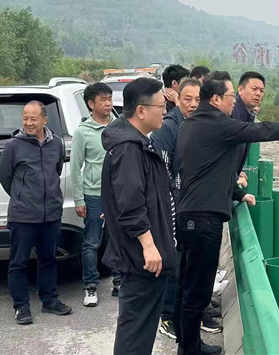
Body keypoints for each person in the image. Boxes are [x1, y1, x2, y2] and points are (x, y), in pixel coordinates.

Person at [174, 72, 279, 355]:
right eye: (230, 97)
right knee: (197, 290)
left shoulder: (191, 124)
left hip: (188, 214)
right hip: (204, 220)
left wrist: (237, 193)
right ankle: (190, 350)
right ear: (216, 99)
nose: (233, 103)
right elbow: (266, 131)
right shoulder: (218, 124)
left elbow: (207, 170)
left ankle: (186, 343)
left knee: (187, 284)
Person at [101, 77, 176, 355]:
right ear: (141, 111)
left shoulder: (139, 143)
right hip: (140, 257)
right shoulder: (129, 148)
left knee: (141, 328)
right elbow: (131, 203)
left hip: (145, 255)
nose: (165, 111)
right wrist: (148, 245)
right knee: (135, 330)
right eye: (161, 105)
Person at [0, 101, 72, 325]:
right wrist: (23, 196)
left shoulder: (56, 143)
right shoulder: (13, 146)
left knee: (48, 259)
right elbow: (5, 177)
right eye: (25, 118)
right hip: (23, 216)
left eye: (33, 118)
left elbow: (56, 170)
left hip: (51, 214)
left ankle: (49, 300)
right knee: (18, 263)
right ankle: (21, 307)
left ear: (44, 120)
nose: (28, 123)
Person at [150, 78, 209, 340]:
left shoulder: (197, 125)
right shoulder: (169, 128)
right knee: (173, 262)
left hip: (192, 204)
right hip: (173, 204)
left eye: (198, 99)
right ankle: (167, 316)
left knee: (187, 262)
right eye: (188, 99)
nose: (193, 104)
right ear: (177, 98)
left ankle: (186, 314)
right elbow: (162, 172)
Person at [70, 83, 121, 306]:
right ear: (91, 104)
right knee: (92, 242)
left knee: (118, 238)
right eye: (103, 99)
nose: (108, 103)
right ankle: (90, 286)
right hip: (94, 195)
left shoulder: (119, 126)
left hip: (118, 193)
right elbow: (75, 167)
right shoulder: (83, 132)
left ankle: (119, 281)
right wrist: (79, 199)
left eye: (109, 99)